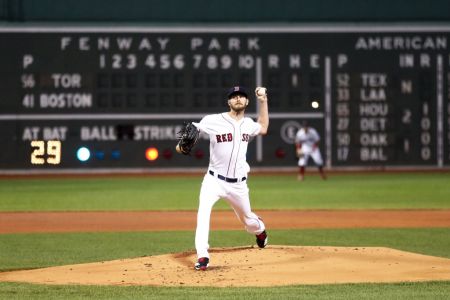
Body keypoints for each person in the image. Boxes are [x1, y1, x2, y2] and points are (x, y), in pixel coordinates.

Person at [177, 86, 269, 271]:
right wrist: (180, 146)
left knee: (248, 221)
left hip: (238, 185)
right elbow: (191, 133)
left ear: (246, 102)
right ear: (228, 101)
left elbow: (264, 127)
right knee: (203, 213)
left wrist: (263, 100)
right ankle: (203, 256)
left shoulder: (249, 124)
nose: (237, 99)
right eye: (234, 97)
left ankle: (260, 231)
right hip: (214, 181)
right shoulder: (213, 120)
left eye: (241, 96)